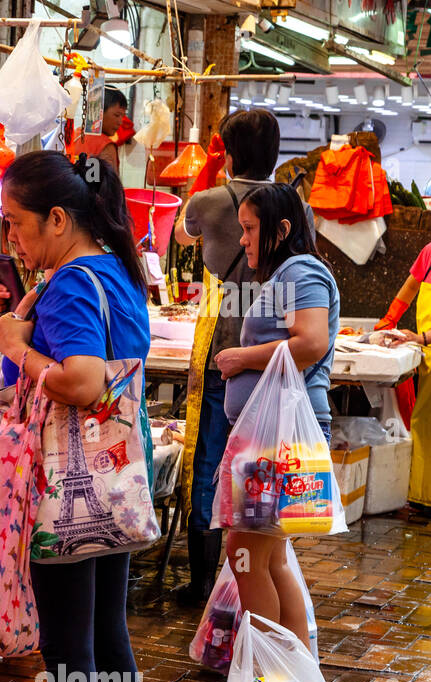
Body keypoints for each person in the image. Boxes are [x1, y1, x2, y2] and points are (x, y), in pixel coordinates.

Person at [0, 150, 151, 682]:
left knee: (69, 646)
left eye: (16, 224)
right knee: (108, 632)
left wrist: (15, 344)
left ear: (55, 216)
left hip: (68, 487)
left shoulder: (74, 283)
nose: (11, 238)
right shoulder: (114, 270)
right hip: (117, 480)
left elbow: (81, 381)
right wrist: (22, 316)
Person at [171, 109, 310, 604]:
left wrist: (208, 176)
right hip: (273, 360)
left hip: (224, 353)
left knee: (211, 461)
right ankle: (256, 571)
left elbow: (180, 234)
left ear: (228, 153)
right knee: (259, 469)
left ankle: (205, 581)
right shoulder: (294, 205)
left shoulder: (210, 201)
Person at [207, 183, 339, 682]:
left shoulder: (300, 271)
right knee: (270, 558)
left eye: (250, 229)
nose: (244, 241)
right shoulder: (287, 275)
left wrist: (241, 359)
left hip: (279, 442)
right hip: (272, 440)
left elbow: (311, 343)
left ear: (281, 230)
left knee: (246, 556)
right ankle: (288, 681)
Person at [379, 203, 431, 513]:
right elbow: (409, 287)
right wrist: (389, 320)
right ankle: (422, 497)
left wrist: (422, 338)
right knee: (425, 422)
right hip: (429, 355)